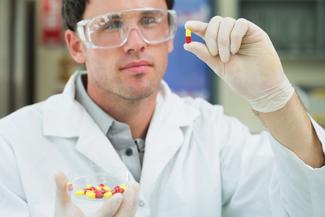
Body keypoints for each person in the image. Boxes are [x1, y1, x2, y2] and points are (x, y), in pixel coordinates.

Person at [0, 0, 324, 216]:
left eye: (150, 20)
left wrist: (275, 97)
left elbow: (307, 207)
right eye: (111, 24)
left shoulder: (212, 133)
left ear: (170, 34)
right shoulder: (11, 144)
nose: (136, 41)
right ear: (76, 46)